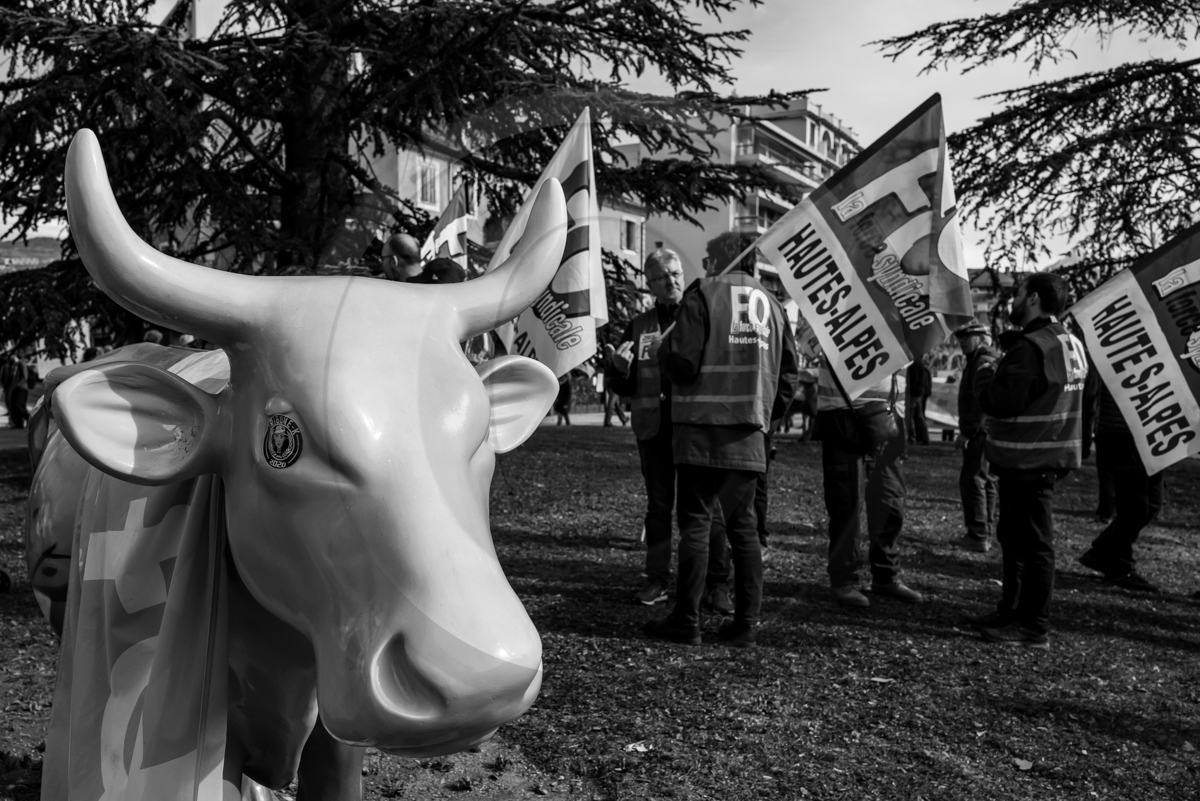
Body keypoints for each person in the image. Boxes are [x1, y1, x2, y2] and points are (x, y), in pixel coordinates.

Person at [643, 233, 798, 647]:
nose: (707, 264)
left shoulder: (703, 295)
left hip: (698, 432)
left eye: (711, 257)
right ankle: (746, 624)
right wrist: (761, 418)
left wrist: (662, 351)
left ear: (728, 259)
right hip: (748, 437)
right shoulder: (776, 307)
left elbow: (684, 365)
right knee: (743, 530)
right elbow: (788, 380)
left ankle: (686, 619)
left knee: (695, 525)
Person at [606, 248, 732, 611]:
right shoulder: (640, 324)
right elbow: (626, 388)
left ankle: (717, 583)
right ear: (650, 284)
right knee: (658, 509)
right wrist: (619, 369)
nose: (672, 281)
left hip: (695, 426)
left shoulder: (701, 313)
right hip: (654, 430)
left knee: (709, 509)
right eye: (662, 277)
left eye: (676, 273)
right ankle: (657, 579)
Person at [970, 273, 1089, 649]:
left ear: (1034, 298)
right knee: (1016, 538)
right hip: (1048, 455)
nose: (1014, 301)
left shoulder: (1031, 347)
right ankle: (1013, 609)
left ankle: (1033, 627)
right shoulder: (1072, 343)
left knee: (1034, 544)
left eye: (1018, 293)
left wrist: (985, 371)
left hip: (1029, 458)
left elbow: (999, 401)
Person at [815, 355, 922, 608]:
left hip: (888, 418)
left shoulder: (899, 319)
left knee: (890, 501)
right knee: (846, 504)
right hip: (843, 418)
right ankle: (843, 580)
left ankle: (885, 575)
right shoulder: (834, 313)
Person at [1077, 379, 1163, 592]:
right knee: (1135, 507)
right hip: (1122, 435)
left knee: (1152, 503)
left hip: (1151, 434)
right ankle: (1119, 567)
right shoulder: (1119, 349)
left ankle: (1101, 551)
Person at [951, 321, 1000, 553]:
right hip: (986, 432)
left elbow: (982, 402)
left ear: (981, 337)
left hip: (980, 433)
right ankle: (985, 530)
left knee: (973, 481)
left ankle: (978, 534)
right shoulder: (982, 358)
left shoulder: (982, 360)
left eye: (965, 337)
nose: (961, 342)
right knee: (986, 480)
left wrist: (967, 432)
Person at [906, 357, 932, 445]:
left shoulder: (913, 364)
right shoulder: (920, 364)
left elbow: (914, 379)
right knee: (919, 416)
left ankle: (911, 438)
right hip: (919, 393)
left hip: (913, 392)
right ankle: (925, 438)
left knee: (910, 416)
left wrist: (909, 388)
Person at [1, 352, 31, 429]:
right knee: (13, 406)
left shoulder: (21, 364)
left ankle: (29, 418)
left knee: (19, 405)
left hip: (22, 388)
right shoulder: (13, 365)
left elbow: (25, 377)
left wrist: (17, 385)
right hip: (15, 388)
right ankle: (18, 423)